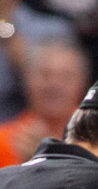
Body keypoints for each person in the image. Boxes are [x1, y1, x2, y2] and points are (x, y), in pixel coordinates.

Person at [0, 38, 90, 167]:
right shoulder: (3, 141)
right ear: (26, 80)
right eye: (45, 75)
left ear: (83, 83)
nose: (54, 84)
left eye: (66, 76)